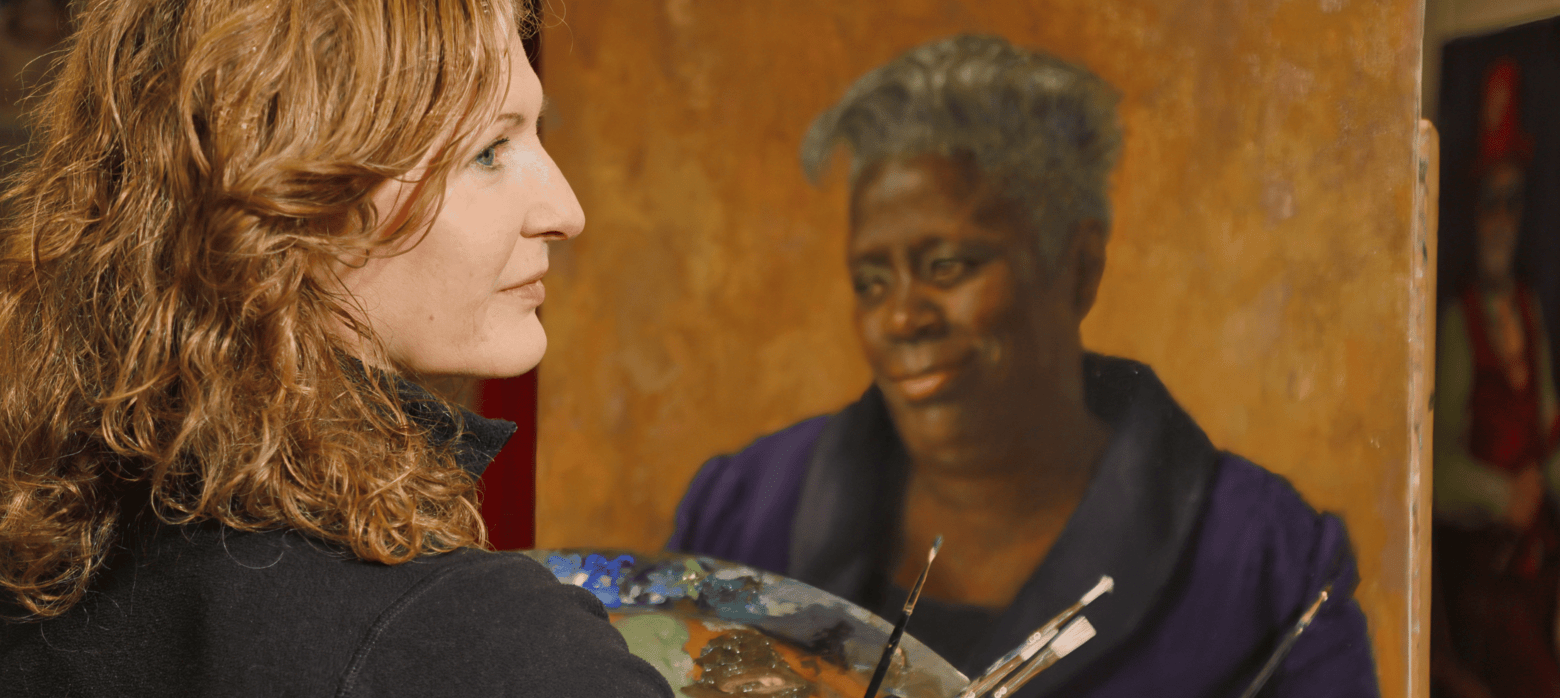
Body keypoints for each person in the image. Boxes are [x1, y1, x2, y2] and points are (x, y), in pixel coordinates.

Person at [668, 34, 1379, 697]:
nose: (900, 319)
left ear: (1077, 267)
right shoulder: (742, 515)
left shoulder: (1266, 564)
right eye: (871, 281)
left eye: (948, 265)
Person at [0, 1, 672, 696]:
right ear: (290, 197)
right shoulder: (487, 651)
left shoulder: (45, 557)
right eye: (489, 152)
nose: (566, 210)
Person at [1431, 57, 1560, 698]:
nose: (1500, 222)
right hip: (1483, 594)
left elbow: (1549, 430)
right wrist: (1502, 493)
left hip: (1538, 577)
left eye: (1512, 204)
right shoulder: (1459, 324)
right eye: (1489, 205)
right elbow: (1437, 470)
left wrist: (1545, 479)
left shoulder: (1528, 312)